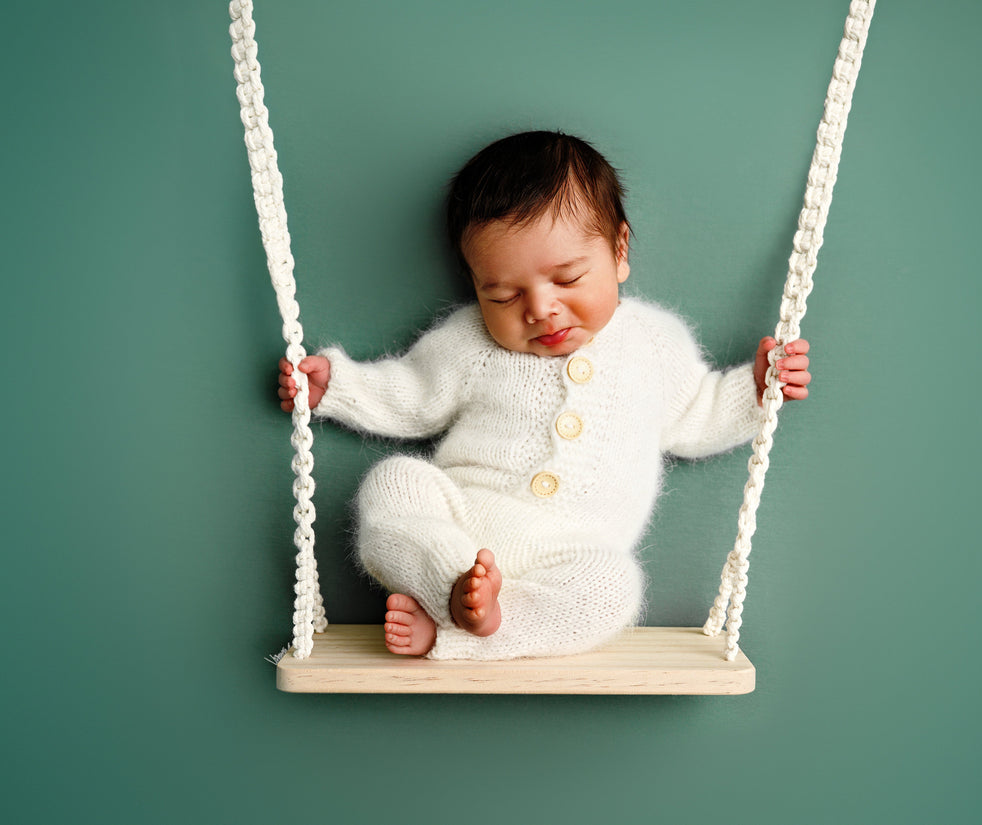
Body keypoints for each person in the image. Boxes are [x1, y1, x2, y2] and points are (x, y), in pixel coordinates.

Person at [277, 131, 811, 660]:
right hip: (464, 519)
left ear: (619, 251)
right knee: (395, 482)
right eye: (504, 294)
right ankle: (450, 589)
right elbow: (413, 393)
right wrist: (338, 388)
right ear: (476, 286)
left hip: (570, 549)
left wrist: (759, 388)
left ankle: (470, 628)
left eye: (569, 278)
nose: (540, 309)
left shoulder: (652, 343)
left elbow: (700, 414)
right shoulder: (471, 341)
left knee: (613, 587)